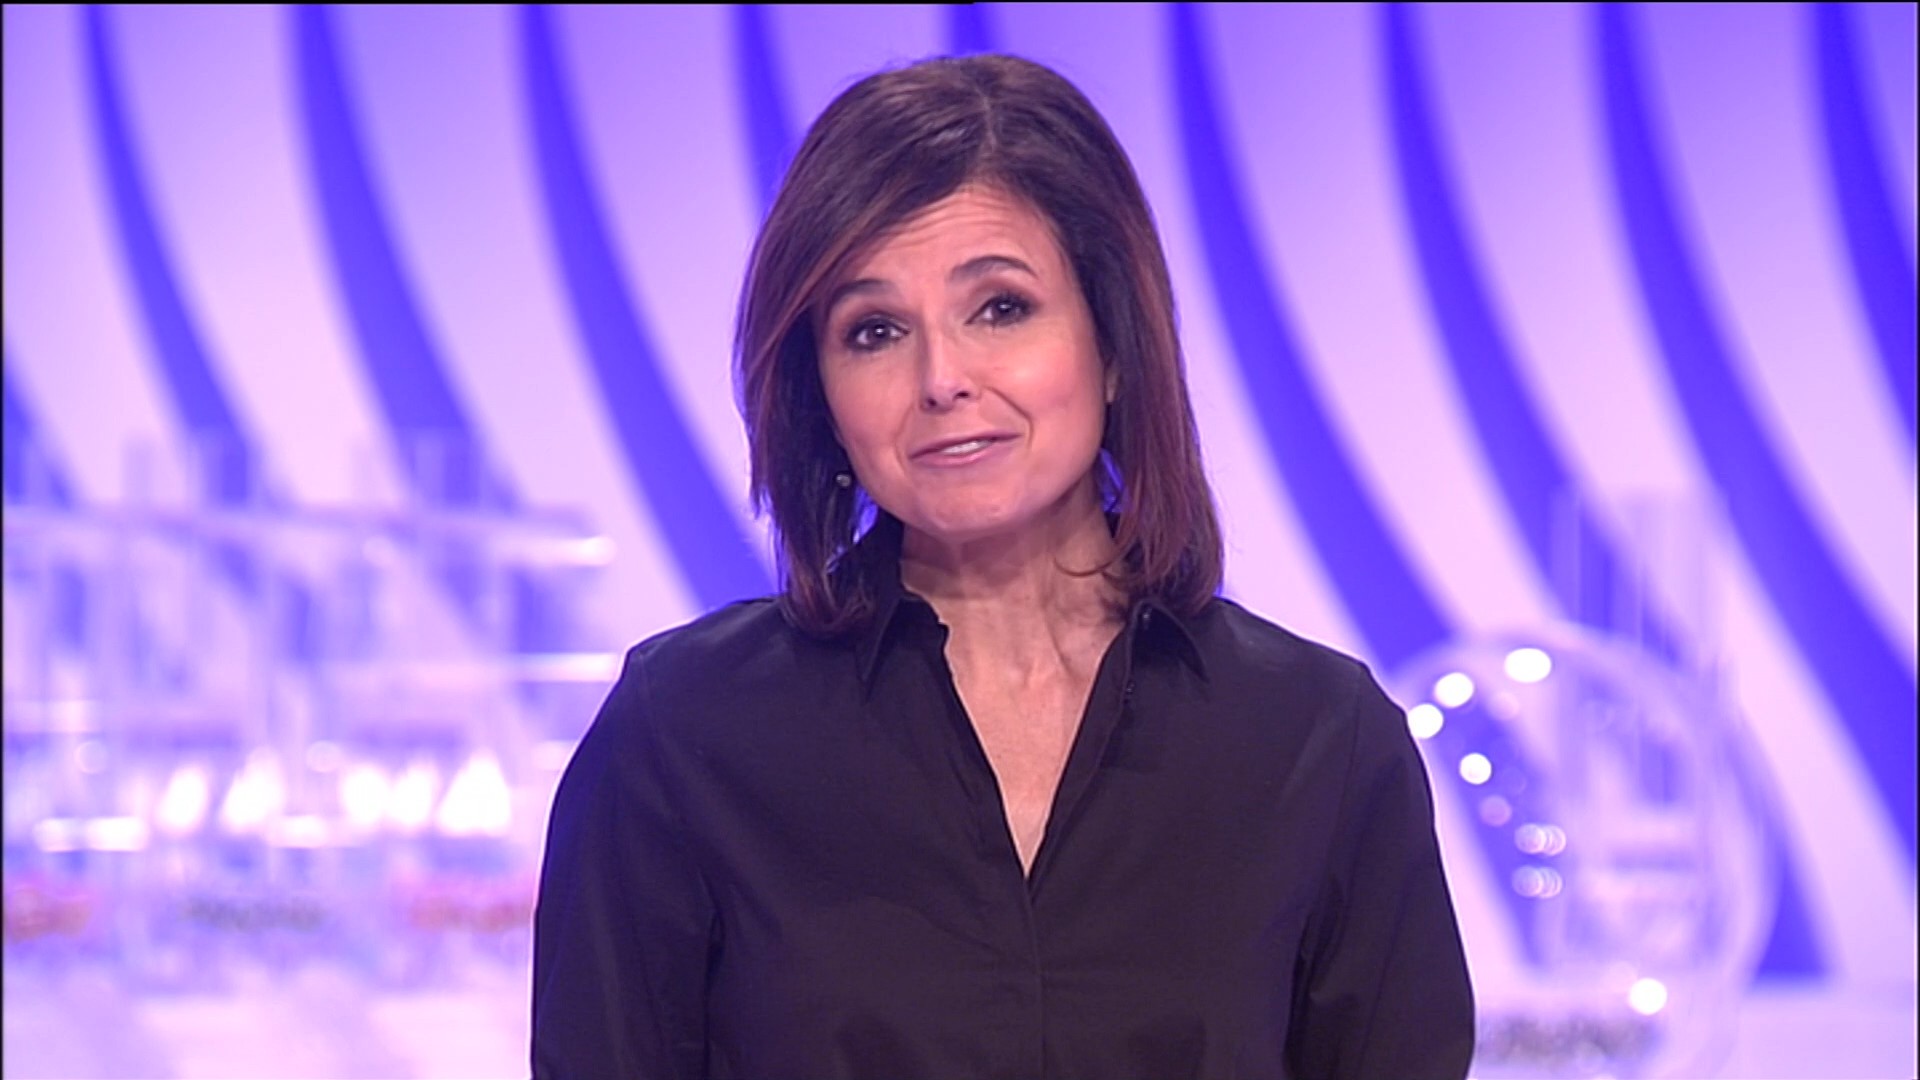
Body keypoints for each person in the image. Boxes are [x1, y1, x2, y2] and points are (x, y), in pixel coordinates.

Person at [531, 53, 1473, 1080]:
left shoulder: (1317, 742)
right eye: (875, 331)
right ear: (820, 397)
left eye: (1001, 308)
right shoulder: (684, 732)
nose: (943, 379)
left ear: (1113, 346)